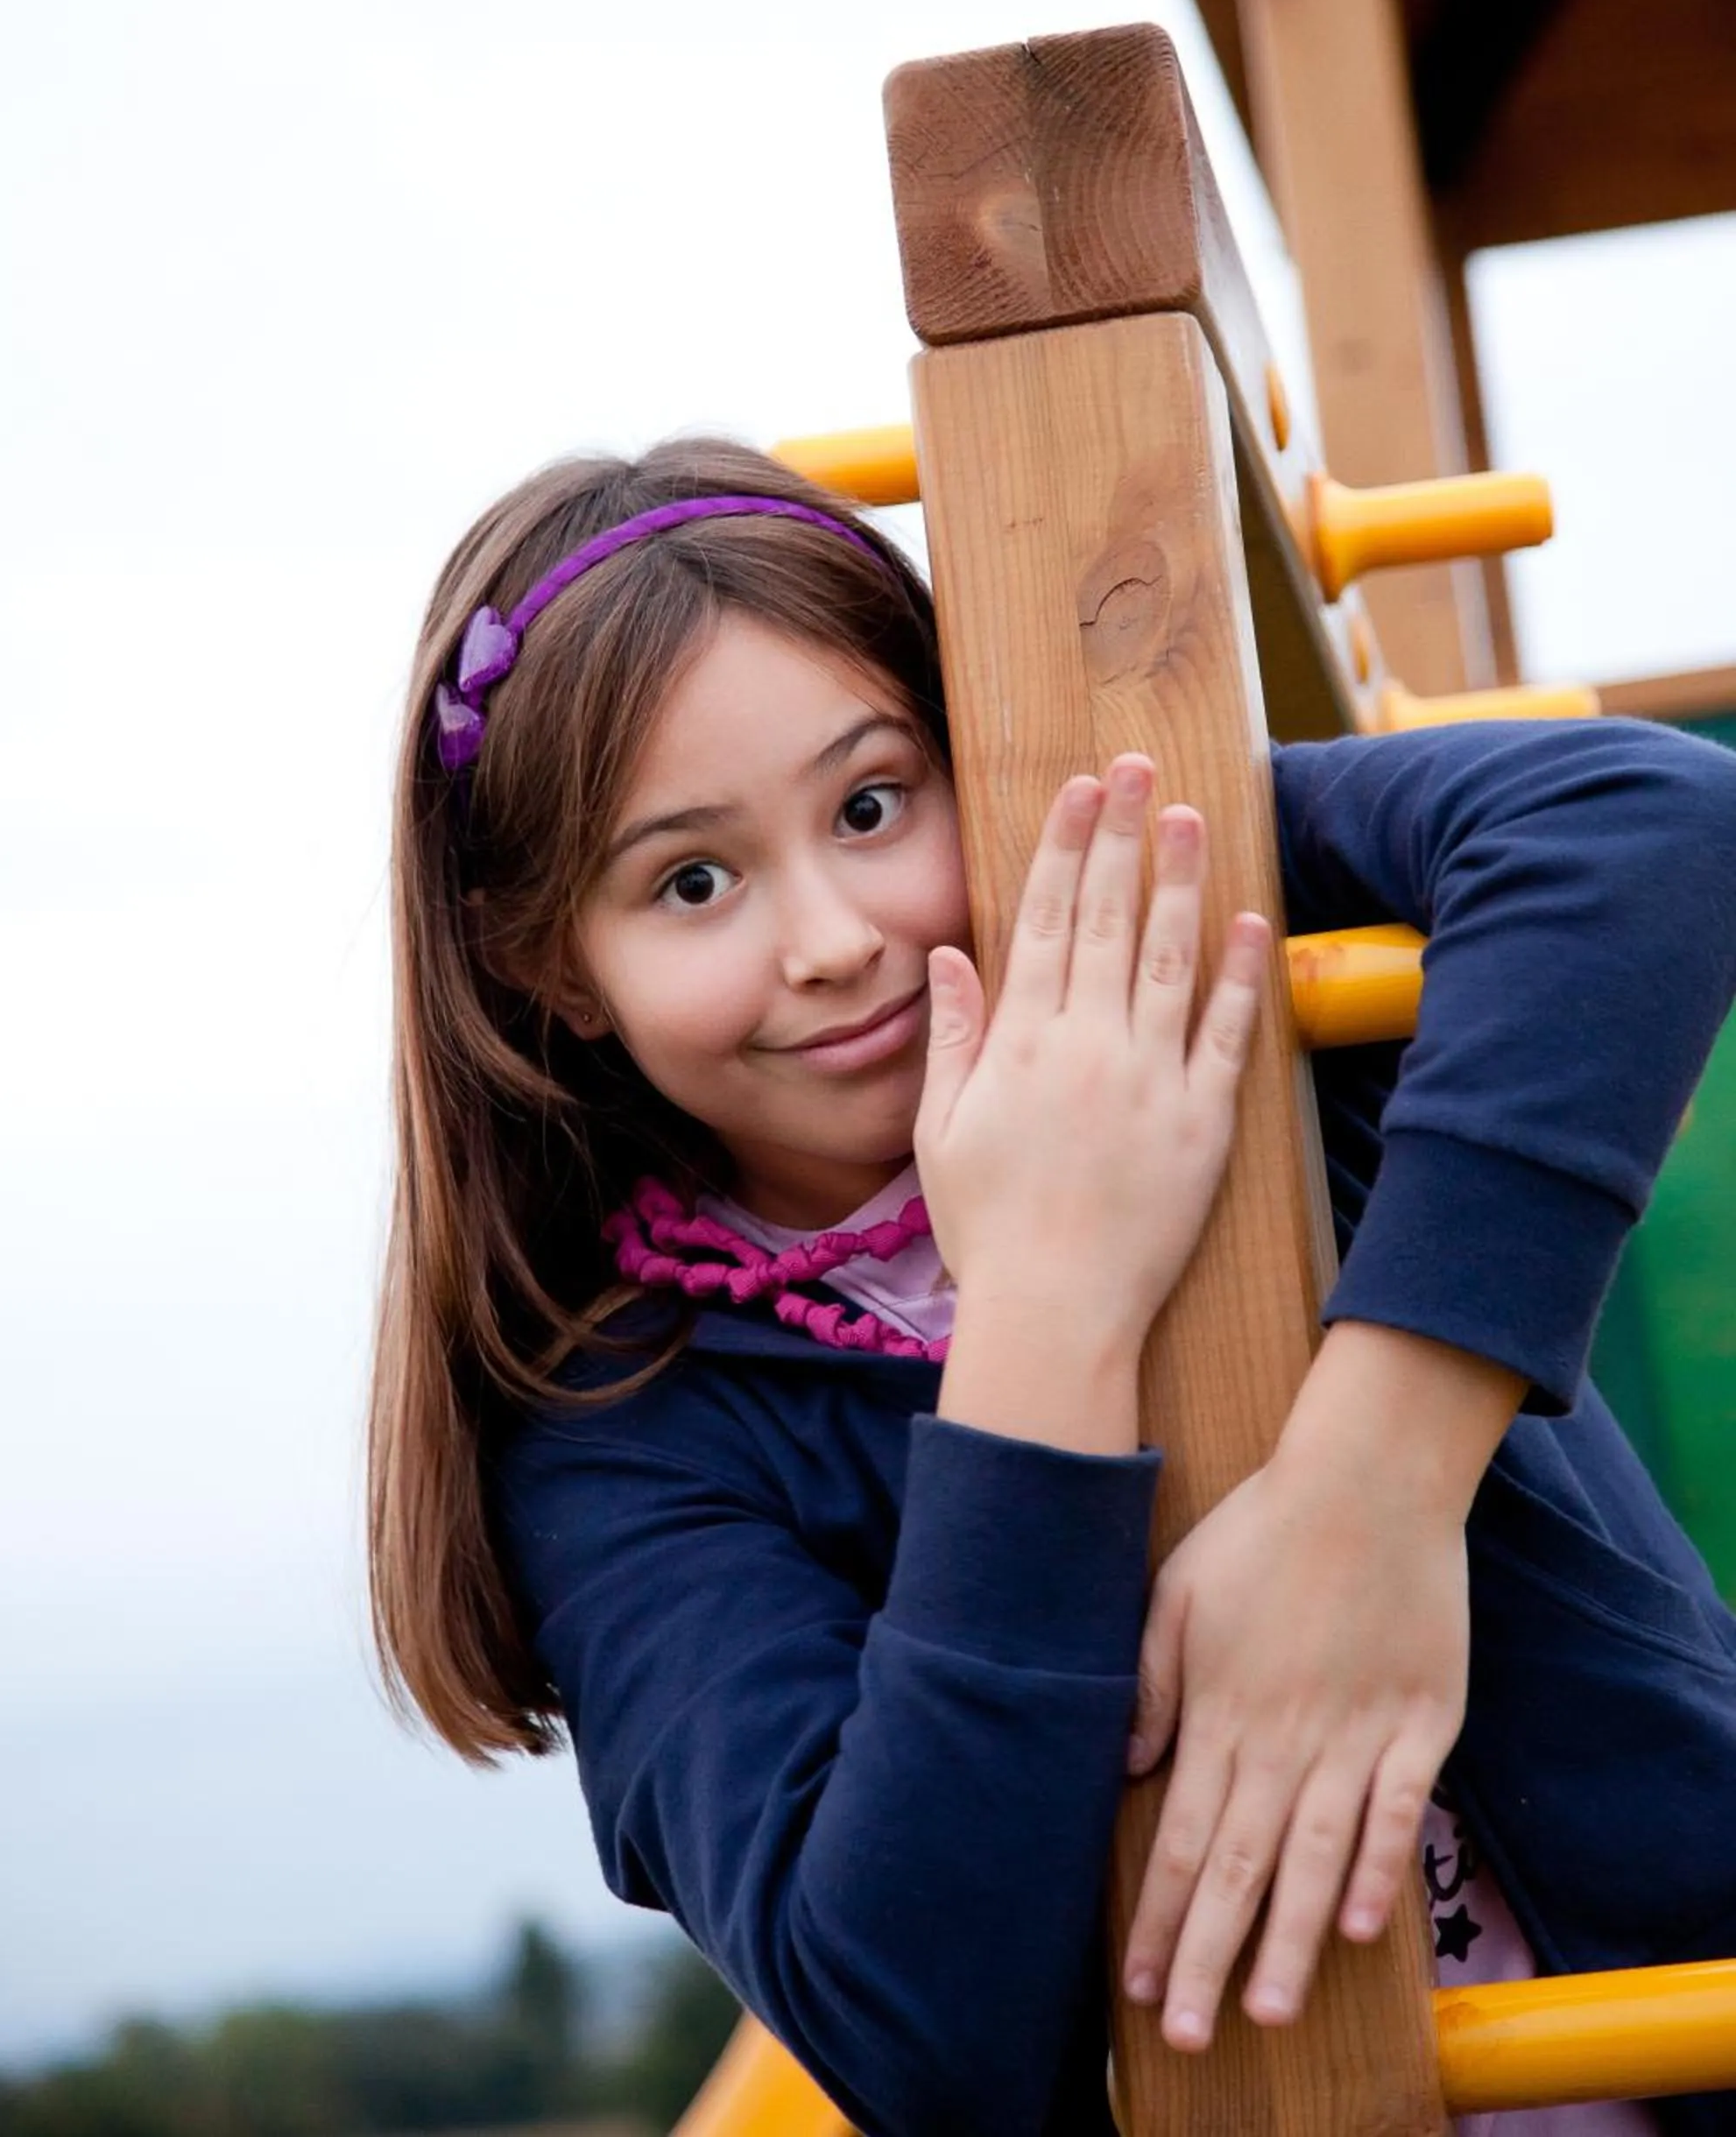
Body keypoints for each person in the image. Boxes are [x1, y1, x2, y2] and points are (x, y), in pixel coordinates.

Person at [369, 435, 1736, 2137]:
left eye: (873, 803)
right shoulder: (621, 1432)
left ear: (971, 757)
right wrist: (1043, 1304)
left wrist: (1367, 1496)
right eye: (692, 882)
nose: (831, 936)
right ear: (544, 964)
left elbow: (1640, 824)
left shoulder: (1152, 935)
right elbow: (916, 2030)